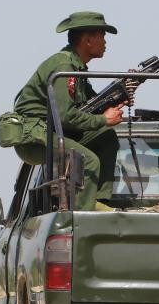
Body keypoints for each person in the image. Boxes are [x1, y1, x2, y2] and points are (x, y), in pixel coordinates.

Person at [13, 11, 131, 211]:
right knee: (89, 161)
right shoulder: (64, 66)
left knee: (106, 138)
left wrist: (117, 98)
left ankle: (98, 202)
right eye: (102, 36)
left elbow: (92, 103)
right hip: (36, 136)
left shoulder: (77, 68)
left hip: (53, 131)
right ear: (87, 40)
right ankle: (83, 217)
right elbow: (65, 116)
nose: (105, 42)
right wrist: (103, 119)